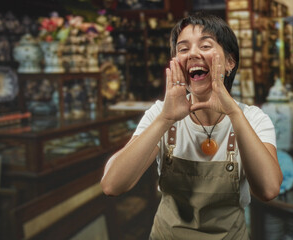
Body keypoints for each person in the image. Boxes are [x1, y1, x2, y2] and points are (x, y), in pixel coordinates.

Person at [101, 12, 283, 239]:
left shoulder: (254, 119)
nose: (193, 54)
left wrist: (233, 113)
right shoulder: (161, 114)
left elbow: (268, 190)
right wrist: (165, 120)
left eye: (205, 45)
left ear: (230, 61)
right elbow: (112, 185)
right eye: (183, 49)